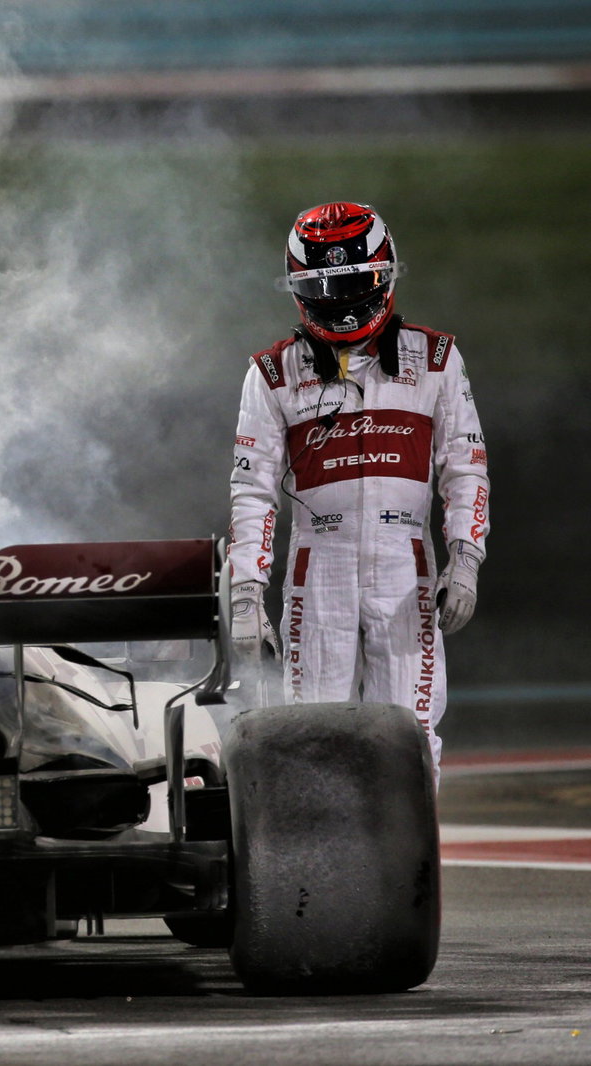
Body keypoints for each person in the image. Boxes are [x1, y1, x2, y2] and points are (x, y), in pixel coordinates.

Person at [227, 202, 489, 781]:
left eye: (353, 281)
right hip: (317, 569)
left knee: (410, 737)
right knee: (310, 736)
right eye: (325, 283)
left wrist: (465, 560)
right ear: (300, 287)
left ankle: (405, 871)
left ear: (384, 273)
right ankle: (315, 871)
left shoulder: (438, 359)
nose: (341, 298)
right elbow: (253, 490)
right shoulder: (272, 372)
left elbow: (465, 469)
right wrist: (245, 593)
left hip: (407, 568)